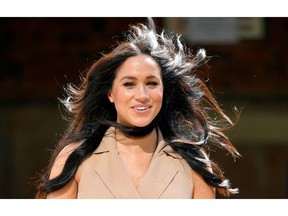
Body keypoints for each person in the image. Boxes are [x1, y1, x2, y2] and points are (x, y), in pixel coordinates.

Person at [35, 17, 240, 199]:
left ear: (163, 91)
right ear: (110, 94)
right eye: (129, 84)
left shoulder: (193, 162)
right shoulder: (75, 158)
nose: (142, 96)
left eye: (152, 83)